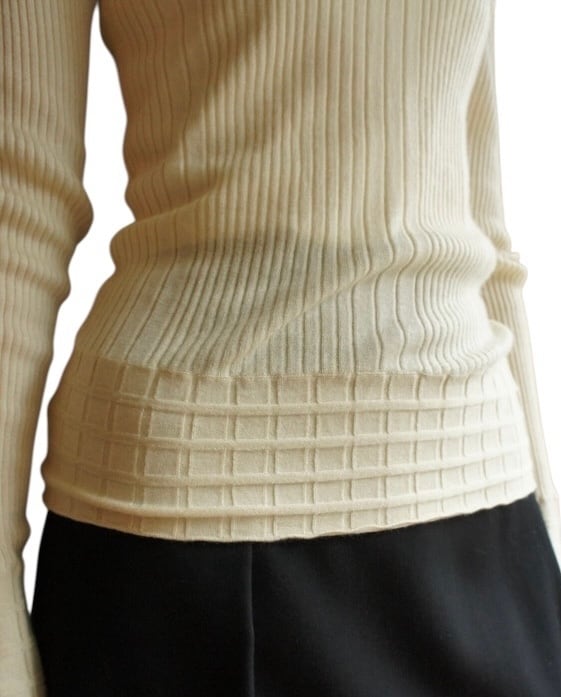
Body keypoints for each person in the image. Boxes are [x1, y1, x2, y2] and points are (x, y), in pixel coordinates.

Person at [2, 1, 561, 695]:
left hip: (484, 514)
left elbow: (480, 215)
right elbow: (19, 203)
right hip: (190, 529)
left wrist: (544, 513)